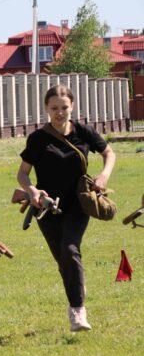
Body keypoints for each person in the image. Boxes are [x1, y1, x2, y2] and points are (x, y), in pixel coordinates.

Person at [17, 84, 115, 332]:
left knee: (70, 250)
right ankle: (77, 285)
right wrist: (32, 191)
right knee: (64, 260)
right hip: (46, 207)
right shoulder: (38, 139)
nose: (59, 113)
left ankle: (78, 312)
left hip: (78, 204)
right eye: (54, 108)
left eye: (64, 107)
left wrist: (103, 176)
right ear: (46, 109)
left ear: (72, 107)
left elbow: (109, 153)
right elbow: (23, 174)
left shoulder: (82, 131)